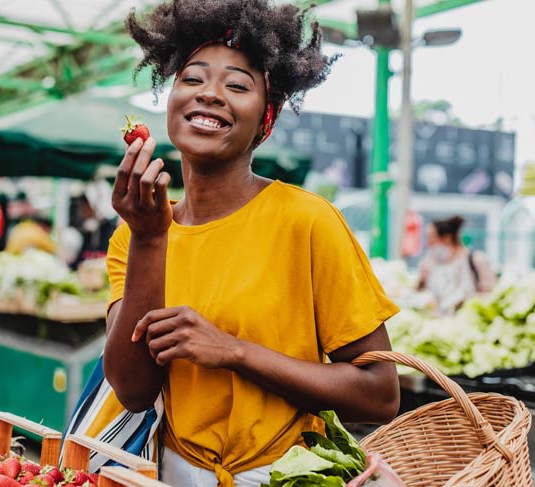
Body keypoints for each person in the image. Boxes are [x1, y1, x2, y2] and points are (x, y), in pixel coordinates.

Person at [104, 1, 400, 486]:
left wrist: (234, 352)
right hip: (170, 473)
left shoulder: (307, 220)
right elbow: (134, 389)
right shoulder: (136, 232)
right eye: (192, 79)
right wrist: (149, 239)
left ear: (268, 115)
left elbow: (379, 394)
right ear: (171, 96)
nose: (210, 95)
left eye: (237, 85)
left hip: (287, 475)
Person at [418, 216, 497, 314]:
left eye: (431, 237)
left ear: (446, 238)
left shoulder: (476, 260)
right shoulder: (431, 264)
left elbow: (492, 296)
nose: (428, 243)